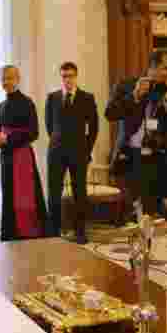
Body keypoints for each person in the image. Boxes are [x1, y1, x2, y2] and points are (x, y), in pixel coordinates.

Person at [105, 50, 167, 221]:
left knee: (150, 212)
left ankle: (148, 239)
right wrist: (135, 95)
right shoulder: (126, 85)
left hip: (156, 157)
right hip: (130, 154)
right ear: (152, 67)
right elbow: (110, 114)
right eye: (165, 69)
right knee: (132, 208)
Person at [45, 62, 99, 244]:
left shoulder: (87, 98)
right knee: (54, 192)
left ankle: (80, 232)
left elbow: (94, 127)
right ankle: (53, 231)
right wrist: (56, 142)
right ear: (61, 77)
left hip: (78, 152)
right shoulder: (52, 98)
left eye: (70, 75)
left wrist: (86, 149)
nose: (67, 79)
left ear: (76, 76)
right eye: (64, 76)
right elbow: (49, 126)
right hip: (56, 152)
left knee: (79, 193)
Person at [0, 65, 47, 241]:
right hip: (6, 158)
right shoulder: (1, 105)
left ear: (18, 79)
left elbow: (34, 132)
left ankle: (29, 235)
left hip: (22, 157)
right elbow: (2, 130)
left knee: (26, 197)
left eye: (9, 78)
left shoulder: (27, 102)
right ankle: (11, 236)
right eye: (3, 78)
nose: (6, 82)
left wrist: (8, 138)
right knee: (9, 196)